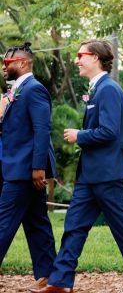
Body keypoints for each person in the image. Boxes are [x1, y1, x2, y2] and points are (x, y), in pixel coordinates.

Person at [32, 40, 123, 293]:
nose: (77, 60)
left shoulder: (108, 89)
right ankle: (60, 282)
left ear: (96, 58)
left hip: (107, 173)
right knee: (74, 226)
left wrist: (80, 135)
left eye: (81, 55)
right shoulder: (98, 89)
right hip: (89, 175)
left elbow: (109, 131)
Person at [0, 42, 57, 291]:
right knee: (37, 224)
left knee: (3, 223)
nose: (3, 66)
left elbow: (42, 129)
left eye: (7, 63)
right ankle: (49, 277)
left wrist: (38, 167)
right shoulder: (16, 91)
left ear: (23, 63)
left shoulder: (34, 89)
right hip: (17, 167)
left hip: (25, 170)